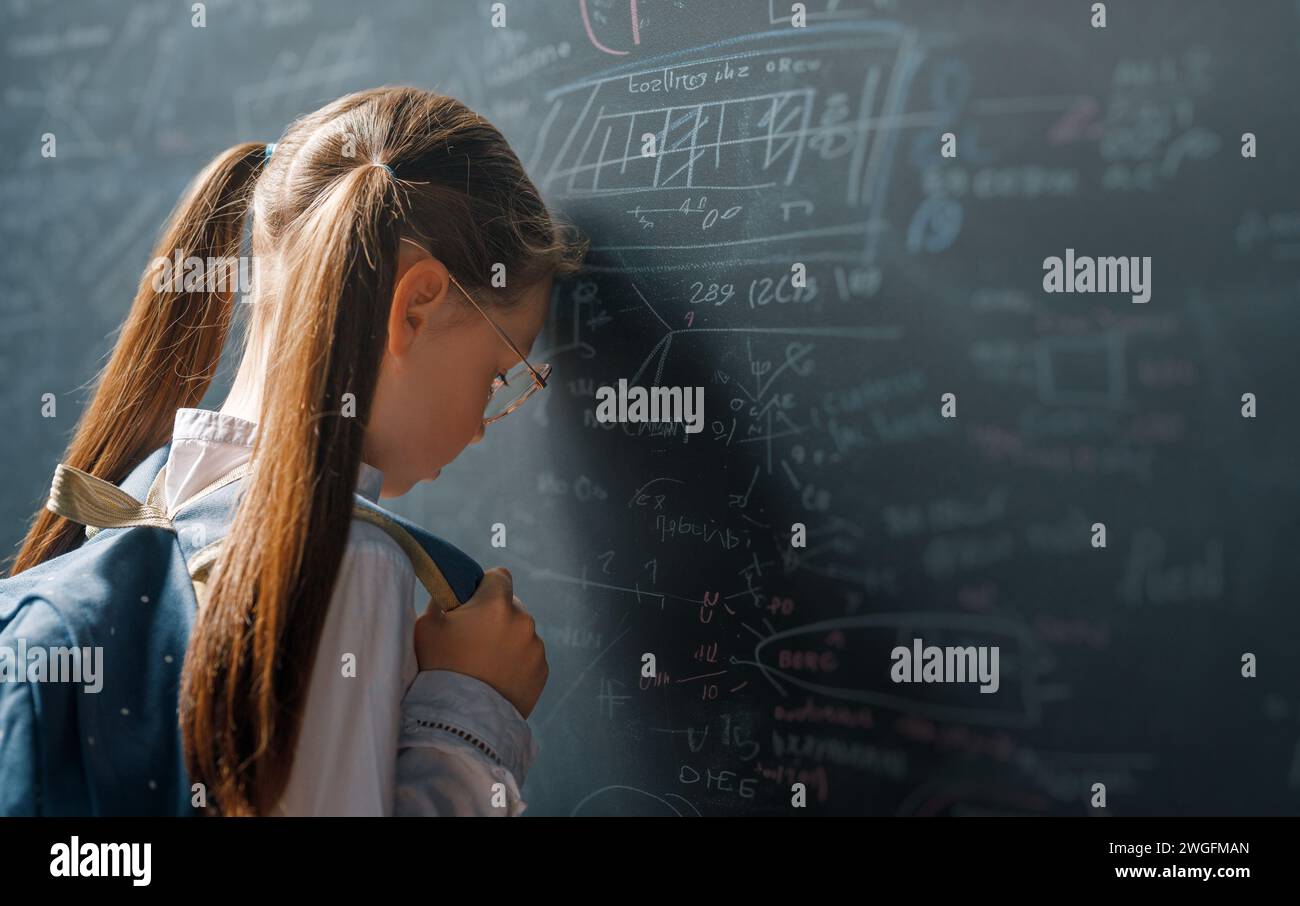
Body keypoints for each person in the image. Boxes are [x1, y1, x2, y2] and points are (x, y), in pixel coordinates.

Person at [8, 86, 586, 816]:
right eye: (499, 376)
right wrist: (473, 708)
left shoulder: (145, 496)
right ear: (416, 306)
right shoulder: (339, 553)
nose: (483, 423)